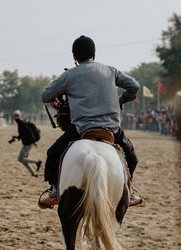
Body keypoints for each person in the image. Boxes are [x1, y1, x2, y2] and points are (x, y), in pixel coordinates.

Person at [40, 35, 142, 208]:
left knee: (53, 153)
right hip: (112, 129)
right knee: (132, 158)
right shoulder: (110, 71)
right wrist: (121, 100)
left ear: (74, 56)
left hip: (82, 129)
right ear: (94, 53)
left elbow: (45, 95)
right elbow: (134, 86)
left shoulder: (70, 75)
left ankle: (55, 191)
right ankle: (129, 191)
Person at [11, 110, 42, 177]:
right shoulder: (20, 124)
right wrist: (16, 137)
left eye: (17, 116)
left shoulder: (22, 123)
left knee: (20, 159)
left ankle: (37, 162)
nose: (16, 117)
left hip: (28, 144)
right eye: (15, 116)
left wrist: (34, 142)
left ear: (20, 116)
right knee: (24, 160)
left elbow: (29, 132)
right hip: (27, 143)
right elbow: (23, 134)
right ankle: (33, 173)